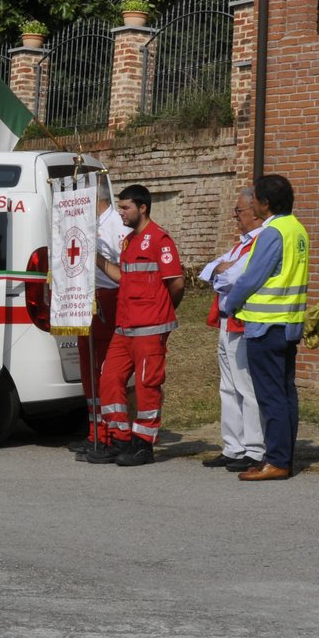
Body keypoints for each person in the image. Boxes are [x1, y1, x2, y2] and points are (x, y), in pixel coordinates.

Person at [84, 185, 184, 466]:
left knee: (146, 386)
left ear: (143, 208)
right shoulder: (128, 242)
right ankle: (120, 438)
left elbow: (176, 283)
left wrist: (161, 311)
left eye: (126, 207)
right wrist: (98, 259)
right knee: (108, 379)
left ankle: (143, 444)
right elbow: (122, 277)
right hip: (124, 327)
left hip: (149, 329)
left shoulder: (160, 240)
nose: (121, 213)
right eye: (120, 207)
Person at [219, 174, 309, 482]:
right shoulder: (297, 229)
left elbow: (252, 277)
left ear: (266, 203)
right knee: (285, 393)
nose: (252, 203)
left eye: (255, 198)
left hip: (266, 325)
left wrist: (230, 303)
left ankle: (277, 460)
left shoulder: (272, 233)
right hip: (288, 323)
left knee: (271, 396)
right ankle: (284, 454)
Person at [200, 187, 265, 472]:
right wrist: (219, 270)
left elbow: (236, 277)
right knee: (227, 386)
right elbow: (211, 269)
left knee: (245, 386)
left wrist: (221, 271)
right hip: (227, 319)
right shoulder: (242, 243)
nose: (235, 216)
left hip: (243, 320)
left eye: (239, 211)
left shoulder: (260, 240)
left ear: (255, 211)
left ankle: (254, 448)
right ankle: (233, 446)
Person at [69, 187, 128, 453]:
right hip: (86, 298)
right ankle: (96, 430)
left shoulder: (116, 224)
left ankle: (110, 430)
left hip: (107, 298)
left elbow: (124, 269)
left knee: (103, 365)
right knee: (88, 365)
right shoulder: (89, 224)